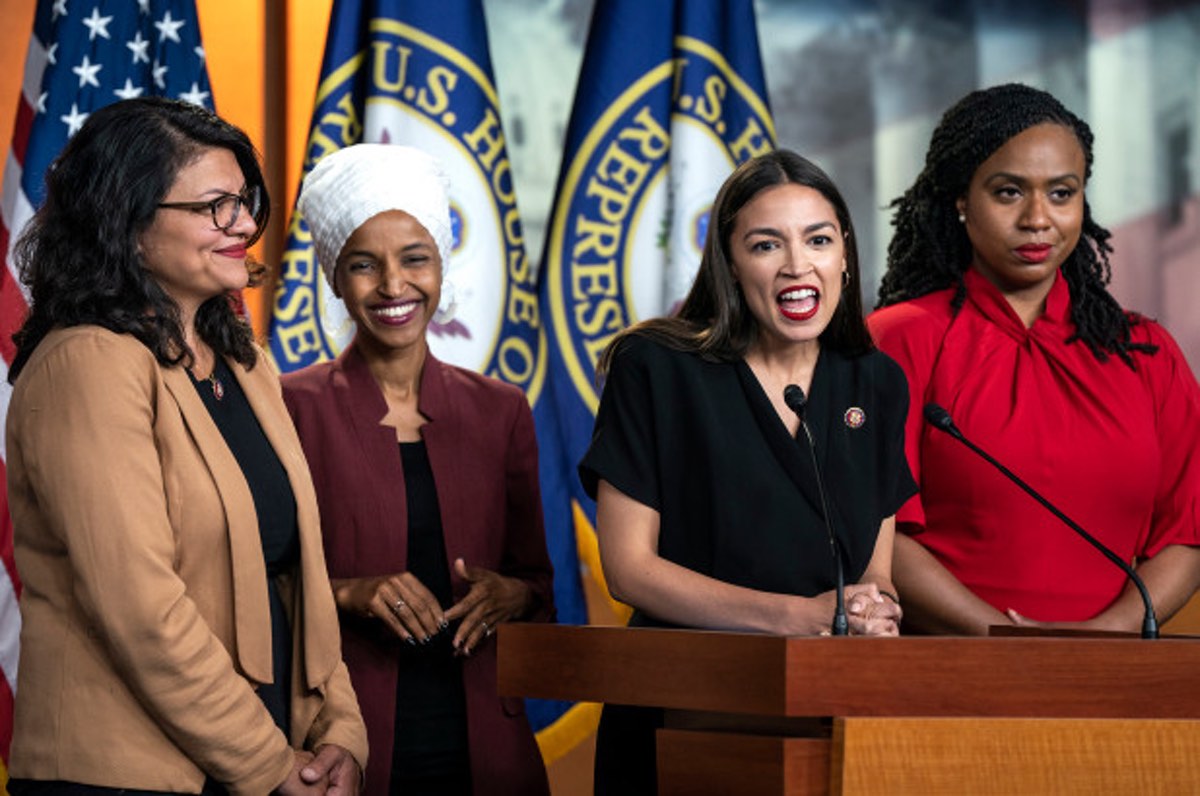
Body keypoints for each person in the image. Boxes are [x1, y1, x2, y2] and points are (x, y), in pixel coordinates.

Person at [5, 97, 366, 794]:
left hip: (262, 762)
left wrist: (339, 736)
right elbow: (142, 611)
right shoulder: (88, 362)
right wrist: (269, 764)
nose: (245, 225)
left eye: (246, 200)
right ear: (128, 219)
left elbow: (300, 582)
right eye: (214, 207)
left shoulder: (246, 366)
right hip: (122, 777)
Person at [578, 149, 916, 794]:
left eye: (818, 239)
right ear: (730, 262)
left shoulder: (876, 382)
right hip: (682, 705)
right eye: (766, 245)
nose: (797, 265)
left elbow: (874, 569)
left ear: (844, 252)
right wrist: (802, 617)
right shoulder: (656, 368)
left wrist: (874, 610)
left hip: (829, 716)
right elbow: (629, 569)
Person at [869, 83, 1200, 636]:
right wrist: (1006, 642)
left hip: (1115, 680)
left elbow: (1186, 534)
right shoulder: (898, 340)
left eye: (1062, 193)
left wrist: (1108, 636)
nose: (1038, 218)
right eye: (1008, 193)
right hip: (943, 676)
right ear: (961, 201)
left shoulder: (1147, 354)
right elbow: (879, 537)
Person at [281, 143, 555, 796]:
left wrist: (511, 595)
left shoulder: (502, 411)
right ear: (335, 278)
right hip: (347, 743)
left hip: (488, 744)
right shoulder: (288, 408)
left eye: (415, 259)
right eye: (363, 265)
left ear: (441, 266)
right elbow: (256, 588)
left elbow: (539, 584)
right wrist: (350, 592)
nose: (394, 286)